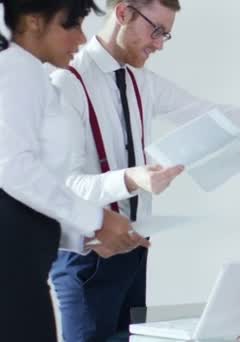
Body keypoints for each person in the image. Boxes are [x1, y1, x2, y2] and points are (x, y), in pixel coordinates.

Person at [48, 0, 240, 340]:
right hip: (88, 259)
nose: (158, 44)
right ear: (123, 13)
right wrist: (131, 178)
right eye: (155, 31)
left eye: (165, 35)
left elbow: (201, 111)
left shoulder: (143, 81)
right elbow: (63, 184)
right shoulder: (66, 82)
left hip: (135, 251)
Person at [0, 0, 149, 341]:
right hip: (12, 269)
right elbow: (13, 168)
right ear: (34, 21)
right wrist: (94, 219)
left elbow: (31, 188)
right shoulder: (16, 69)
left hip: (25, 263)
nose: (81, 39)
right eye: (71, 26)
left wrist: (83, 236)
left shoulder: (32, 74)